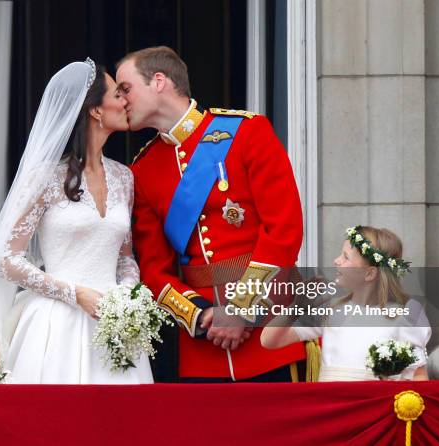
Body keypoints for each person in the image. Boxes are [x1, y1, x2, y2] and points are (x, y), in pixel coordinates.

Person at [116, 46, 306, 382]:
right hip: (204, 346)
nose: (120, 99)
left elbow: (284, 231)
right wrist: (201, 316)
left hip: (268, 333)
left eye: (126, 88)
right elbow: (154, 271)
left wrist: (241, 310)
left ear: (159, 81)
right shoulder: (143, 170)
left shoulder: (247, 132)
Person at [0, 59, 153, 384]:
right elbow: (5, 259)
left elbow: (125, 258)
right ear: (95, 111)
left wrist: (127, 298)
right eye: (118, 95)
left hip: (115, 326)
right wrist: (75, 294)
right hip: (57, 323)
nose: (126, 102)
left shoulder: (124, 177)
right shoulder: (45, 178)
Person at [261, 226, 431, 381]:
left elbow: (418, 375)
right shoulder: (331, 308)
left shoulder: (405, 314)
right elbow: (269, 341)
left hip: (377, 408)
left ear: (370, 274)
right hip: (332, 407)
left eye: (346, 257)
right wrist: (296, 309)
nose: (336, 260)